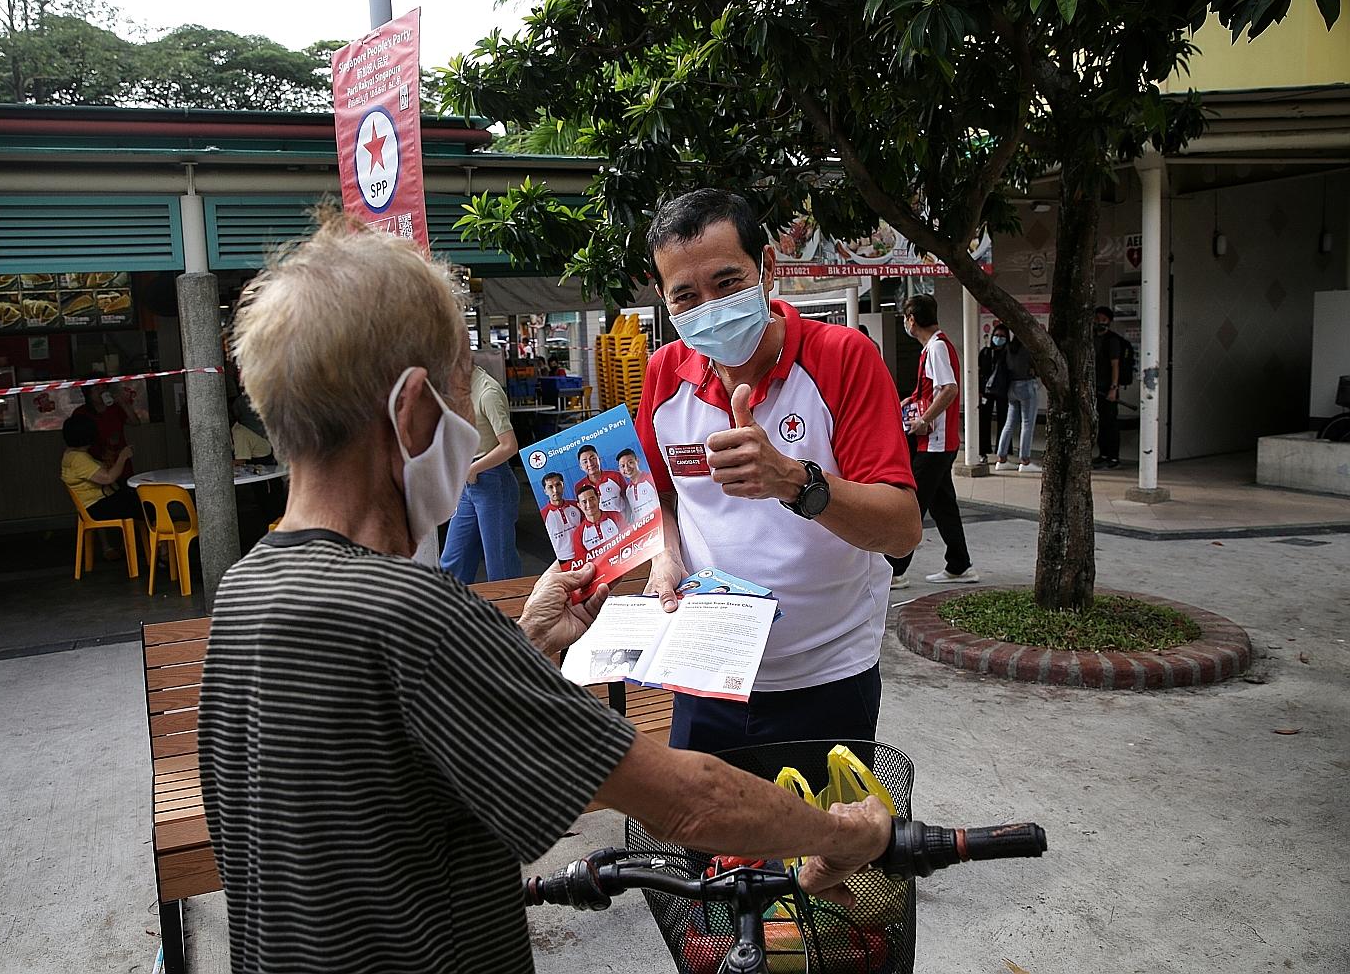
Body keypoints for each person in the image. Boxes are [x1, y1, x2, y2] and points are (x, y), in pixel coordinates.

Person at [200, 215, 893, 974]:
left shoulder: (247, 591)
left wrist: (525, 643)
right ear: (412, 410)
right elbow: (685, 802)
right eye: (462, 385)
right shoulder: (413, 615)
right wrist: (844, 836)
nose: (472, 425)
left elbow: (391, 750)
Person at [634, 189, 920, 754]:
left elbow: (901, 528)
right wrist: (663, 555)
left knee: (822, 839)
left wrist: (793, 481)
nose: (708, 307)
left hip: (828, 670)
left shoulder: (843, 358)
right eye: (685, 296)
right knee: (707, 839)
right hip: (706, 664)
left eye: (726, 282)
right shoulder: (665, 373)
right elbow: (657, 496)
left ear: (766, 267)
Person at [888, 295, 979, 589]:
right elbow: (938, 389)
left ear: (911, 319)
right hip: (940, 442)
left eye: (905, 317)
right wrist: (913, 400)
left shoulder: (937, 348)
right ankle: (959, 565)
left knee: (911, 505)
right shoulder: (936, 346)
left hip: (935, 443)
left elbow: (949, 389)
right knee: (943, 506)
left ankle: (896, 570)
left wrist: (924, 419)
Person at [439, 358, 521, 582]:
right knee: (453, 560)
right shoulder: (459, 389)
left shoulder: (488, 393)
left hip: (493, 480)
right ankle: (450, 611)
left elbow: (509, 446)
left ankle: (510, 615)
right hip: (469, 482)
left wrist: (474, 468)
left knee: (499, 564)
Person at [60, 412, 140, 559]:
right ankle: (162, 550)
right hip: (97, 507)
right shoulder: (78, 458)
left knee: (138, 500)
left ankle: (153, 548)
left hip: (94, 504)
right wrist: (123, 456)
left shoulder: (71, 454)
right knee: (147, 504)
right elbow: (108, 478)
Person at [993, 325, 1041, 474]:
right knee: (1027, 424)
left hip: (1011, 388)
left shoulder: (1008, 348)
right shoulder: (1028, 349)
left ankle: (1001, 458)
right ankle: (1024, 460)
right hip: (1026, 385)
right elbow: (1037, 368)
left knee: (1009, 424)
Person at [71, 382, 140, 482]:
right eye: (97, 389)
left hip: (119, 458)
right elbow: (76, 440)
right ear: (88, 393)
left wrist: (123, 403)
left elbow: (135, 422)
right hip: (95, 460)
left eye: (104, 388)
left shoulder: (114, 408)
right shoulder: (81, 413)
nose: (102, 392)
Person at [1093, 305, 1122, 469]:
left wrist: (1114, 387)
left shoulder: (1112, 340)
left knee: (1110, 422)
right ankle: (1103, 454)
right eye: (1097, 319)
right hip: (1095, 387)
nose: (1099, 322)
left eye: (1103, 320)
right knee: (1099, 423)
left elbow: (1115, 365)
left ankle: (1113, 457)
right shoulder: (1092, 338)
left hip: (1108, 388)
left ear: (1109, 321)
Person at [977, 323, 1010, 465]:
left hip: (1004, 392)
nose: (999, 338)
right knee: (983, 421)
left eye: (1002, 336)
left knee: (1005, 421)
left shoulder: (1009, 354)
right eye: (996, 335)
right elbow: (978, 372)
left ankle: (1002, 452)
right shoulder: (985, 352)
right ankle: (982, 451)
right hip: (986, 392)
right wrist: (978, 390)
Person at [569, 483, 624, 560]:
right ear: (579, 505)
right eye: (584, 502)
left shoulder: (616, 516)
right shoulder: (578, 534)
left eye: (592, 499)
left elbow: (628, 539)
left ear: (598, 499)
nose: (589, 504)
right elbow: (583, 561)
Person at [574, 444, 630, 520]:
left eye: (592, 458)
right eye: (585, 462)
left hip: (624, 524)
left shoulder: (615, 476)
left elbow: (628, 499)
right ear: (581, 466)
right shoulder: (579, 487)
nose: (590, 464)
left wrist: (629, 521)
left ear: (599, 459)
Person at [539, 472, 583, 562]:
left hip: (584, 553)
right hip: (561, 560)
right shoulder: (543, 514)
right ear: (545, 491)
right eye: (550, 487)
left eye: (558, 485)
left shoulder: (577, 505)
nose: (555, 490)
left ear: (563, 486)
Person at [616, 447, 660, 522]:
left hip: (660, 524)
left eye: (630, 462)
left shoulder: (651, 479)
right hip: (644, 530)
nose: (627, 468)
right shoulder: (628, 490)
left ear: (637, 461)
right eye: (622, 466)